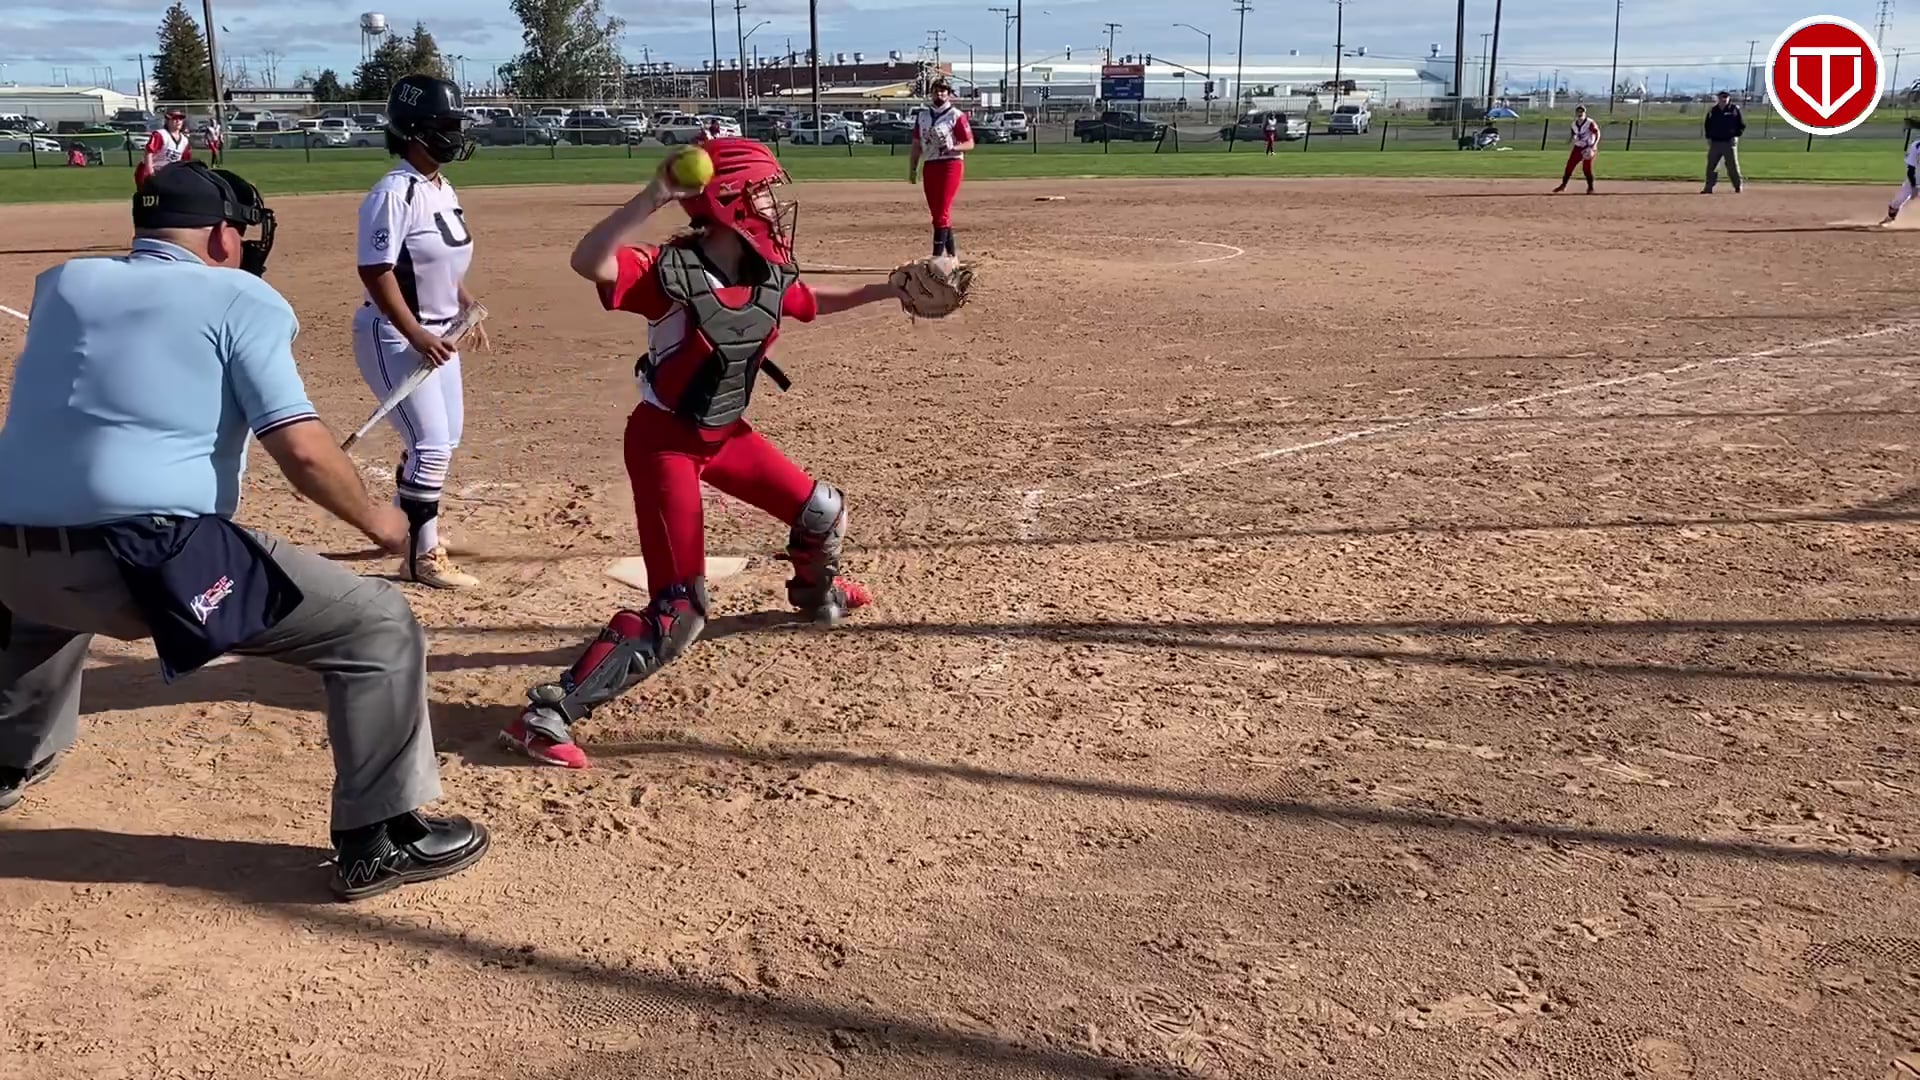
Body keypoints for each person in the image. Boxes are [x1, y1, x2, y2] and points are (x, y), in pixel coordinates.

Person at [0, 161, 490, 901]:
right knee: (377, 625)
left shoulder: (63, 284)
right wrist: (379, 519)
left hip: (11, 555)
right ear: (222, 236)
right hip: (144, 559)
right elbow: (302, 450)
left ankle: (7, 760)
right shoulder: (242, 297)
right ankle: (380, 836)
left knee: (45, 601)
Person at [499, 139, 904, 769]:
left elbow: (810, 301)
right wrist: (652, 196)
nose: (773, 206)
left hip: (723, 435)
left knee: (823, 511)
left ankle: (815, 593)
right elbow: (588, 261)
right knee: (680, 614)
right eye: (761, 194)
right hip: (664, 444)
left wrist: (891, 289)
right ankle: (546, 716)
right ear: (728, 201)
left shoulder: (764, 270)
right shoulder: (669, 273)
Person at [351, 73, 488, 589]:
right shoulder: (394, 193)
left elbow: (437, 261)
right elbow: (376, 270)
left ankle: (402, 528)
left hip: (437, 335)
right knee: (429, 445)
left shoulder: (440, 187)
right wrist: (415, 334)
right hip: (396, 336)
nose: (456, 134)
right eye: (445, 125)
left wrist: (465, 302)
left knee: (444, 439)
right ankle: (421, 556)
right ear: (414, 131)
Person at [908, 78, 974, 258]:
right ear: (931, 93)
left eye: (944, 91)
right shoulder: (922, 116)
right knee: (937, 213)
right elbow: (916, 145)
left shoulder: (956, 115)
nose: (940, 94)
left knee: (941, 211)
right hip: (930, 165)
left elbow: (969, 144)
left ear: (949, 94)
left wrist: (954, 147)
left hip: (950, 164)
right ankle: (952, 256)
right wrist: (913, 168)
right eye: (936, 90)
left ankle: (937, 257)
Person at [134, 110, 191, 189]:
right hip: (150, 170)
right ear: (167, 121)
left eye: (180, 119)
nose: (178, 121)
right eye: (174, 118)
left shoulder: (184, 140)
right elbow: (148, 152)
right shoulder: (160, 135)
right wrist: (150, 172)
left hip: (169, 173)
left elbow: (184, 160)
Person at [1703, 90, 1745, 194]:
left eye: (1726, 97)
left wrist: (1736, 135)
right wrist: (1709, 137)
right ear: (1718, 98)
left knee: (1732, 166)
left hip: (1729, 142)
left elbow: (1741, 124)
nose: (1724, 99)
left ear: (1729, 98)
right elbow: (1707, 125)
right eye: (1722, 97)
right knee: (1712, 166)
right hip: (1715, 142)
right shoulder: (1713, 111)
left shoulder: (1734, 109)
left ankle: (1738, 185)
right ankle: (1709, 187)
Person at [1881, 118, 1920, 226]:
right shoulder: (1916, 146)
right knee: (1896, 202)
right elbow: (1911, 169)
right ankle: (1890, 218)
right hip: (1915, 179)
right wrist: (1914, 186)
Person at [1553, 105, 1599, 194]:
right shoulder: (1574, 124)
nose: (1580, 113)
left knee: (1586, 168)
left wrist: (1594, 145)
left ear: (1585, 113)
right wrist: (1570, 140)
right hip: (1578, 147)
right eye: (1578, 111)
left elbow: (1597, 133)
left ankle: (1590, 188)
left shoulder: (1589, 123)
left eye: (1582, 112)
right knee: (1569, 166)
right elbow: (1574, 133)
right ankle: (1563, 185)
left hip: (1588, 147)